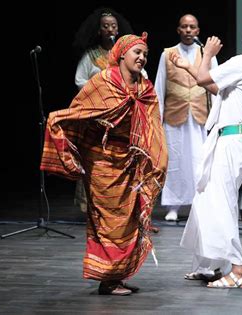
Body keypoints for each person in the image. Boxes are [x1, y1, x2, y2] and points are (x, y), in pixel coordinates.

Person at [40, 33, 168, 295]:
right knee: (108, 220)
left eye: (145, 54)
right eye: (137, 53)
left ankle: (117, 276)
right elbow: (79, 112)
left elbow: (153, 124)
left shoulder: (145, 88)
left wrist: (154, 157)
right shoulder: (103, 82)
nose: (142, 58)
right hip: (103, 162)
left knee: (129, 220)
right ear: (122, 55)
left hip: (130, 163)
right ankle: (107, 279)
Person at [170, 22, 242, 288]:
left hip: (235, 140)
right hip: (238, 139)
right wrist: (189, 66)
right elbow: (217, 89)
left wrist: (208, 54)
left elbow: (203, 80)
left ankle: (238, 270)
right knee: (206, 197)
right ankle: (211, 264)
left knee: (222, 203)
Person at [72, 7, 147, 212]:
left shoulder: (125, 55)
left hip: (122, 115)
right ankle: (92, 205)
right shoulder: (91, 55)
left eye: (113, 26)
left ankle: (121, 203)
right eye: (105, 26)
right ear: (99, 30)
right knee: (95, 158)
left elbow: (144, 77)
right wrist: (99, 90)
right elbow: (80, 80)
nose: (110, 29)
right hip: (98, 114)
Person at [154, 14, 218, 222]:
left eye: (192, 27)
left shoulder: (207, 54)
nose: (188, 30)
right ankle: (173, 206)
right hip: (174, 115)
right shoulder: (167, 54)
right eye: (184, 27)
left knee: (199, 161)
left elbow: (217, 87)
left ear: (198, 31)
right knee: (175, 160)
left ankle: (197, 204)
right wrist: (156, 119)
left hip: (200, 116)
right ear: (178, 30)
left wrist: (217, 119)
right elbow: (159, 88)